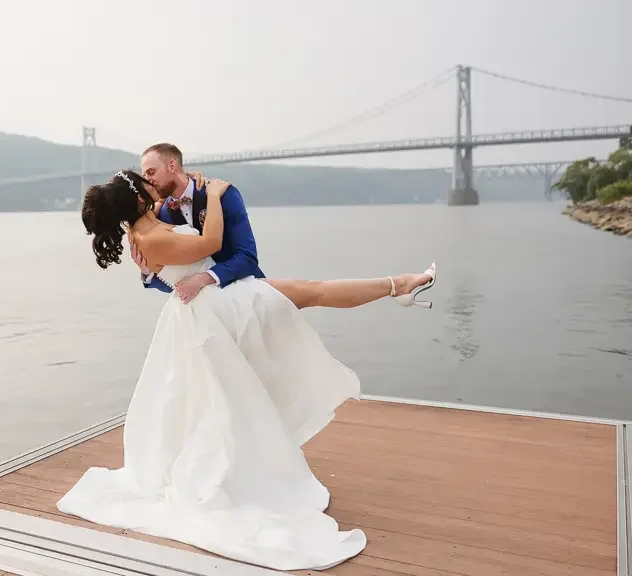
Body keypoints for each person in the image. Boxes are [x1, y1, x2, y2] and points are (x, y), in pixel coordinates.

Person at [58, 169, 436, 571]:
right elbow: (212, 243)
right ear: (135, 200)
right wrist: (217, 195)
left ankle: (400, 286)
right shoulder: (150, 236)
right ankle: (400, 286)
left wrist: (167, 264)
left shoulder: (151, 230)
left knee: (302, 303)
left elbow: (181, 263)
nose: (154, 188)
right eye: (146, 186)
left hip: (212, 304)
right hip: (223, 305)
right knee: (313, 293)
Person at [133, 142, 263, 304]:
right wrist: (147, 272)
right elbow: (177, 283)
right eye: (145, 176)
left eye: (151, 172)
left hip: (249, 297)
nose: (148, 181)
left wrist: (204, 278)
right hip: (202, 310)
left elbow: (248, 258)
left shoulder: (222, 193)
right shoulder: (162, 215)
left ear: (172, 166)